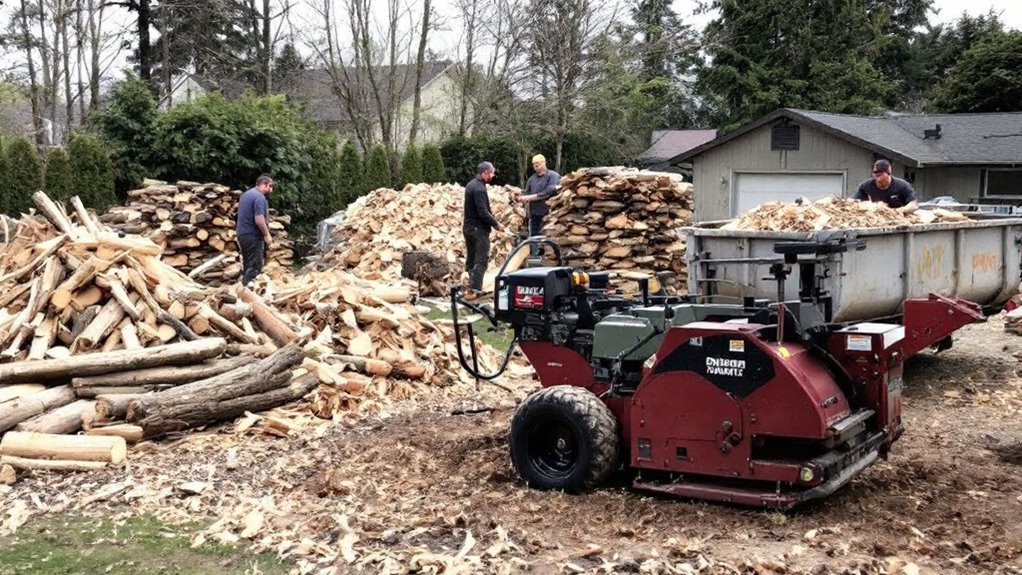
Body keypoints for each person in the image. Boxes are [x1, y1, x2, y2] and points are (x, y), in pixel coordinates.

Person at [463, 161, 503, 299]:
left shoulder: (470, 185)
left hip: (468, 228)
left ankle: (469, 286)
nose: (493, 175)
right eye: (491, 172)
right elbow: (482, 212)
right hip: (478, 230)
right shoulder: (479, 189)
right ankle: (475, 291)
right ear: (485, 172)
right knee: (481, 261)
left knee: (471, 259)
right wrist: (496, 224)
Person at [236, 174, 275, 285]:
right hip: (253, 235)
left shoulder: (246, 195)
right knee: (255, 266)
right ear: (264, 184)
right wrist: (267, 235)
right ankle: (248, 289)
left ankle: (244, 288)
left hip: (242, 233)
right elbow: (259, 219)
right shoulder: (259, 197)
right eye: (270, 186)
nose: (271, 190)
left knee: (247, 263)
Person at [518, 154, 561, 252]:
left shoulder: (553, 176)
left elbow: (548, 192)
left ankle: (551, 255)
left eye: (538, 164)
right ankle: (536, 255)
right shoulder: (531, 179)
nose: (536, 166)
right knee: (535, 237)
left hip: (550, 214)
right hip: (535, 214)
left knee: (549, 236)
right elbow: (526, 194)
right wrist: (518, 198)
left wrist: (529, 197)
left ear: (544, 163)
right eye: (534, 165)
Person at [853, 159, 918, 213]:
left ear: (888, 172)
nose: (876, 175)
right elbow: (853, 202)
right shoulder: (866, 186)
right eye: (875, 172)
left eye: (880, 173)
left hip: (899, 217)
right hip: (875, 216)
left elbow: (913, 205)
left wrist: (898, 211)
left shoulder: (902, 186)